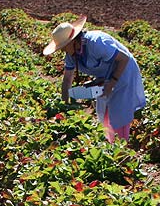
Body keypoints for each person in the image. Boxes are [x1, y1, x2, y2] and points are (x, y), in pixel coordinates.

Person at [44, 15, 146, 143]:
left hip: (124, 72)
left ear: (73, 41)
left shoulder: (97, 42)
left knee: (119, 114)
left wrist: (113, 81)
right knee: (104, 113)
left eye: (64, 46)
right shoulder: (71, 55)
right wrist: (65, 105)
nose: (63, 50)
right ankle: (110, 144)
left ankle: (121, 149)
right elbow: (67, 80)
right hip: (107, 77)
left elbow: (123, 58)